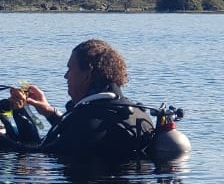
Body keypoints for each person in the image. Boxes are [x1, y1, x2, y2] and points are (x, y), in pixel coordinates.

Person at [22, 39, 154, 157]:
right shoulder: (138, 114)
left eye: (70, 69)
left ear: (87, 76)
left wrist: (1, 138)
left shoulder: (87, 123)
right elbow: (74, 133)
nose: (66, 76)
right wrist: (49, 111)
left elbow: (43, 153)